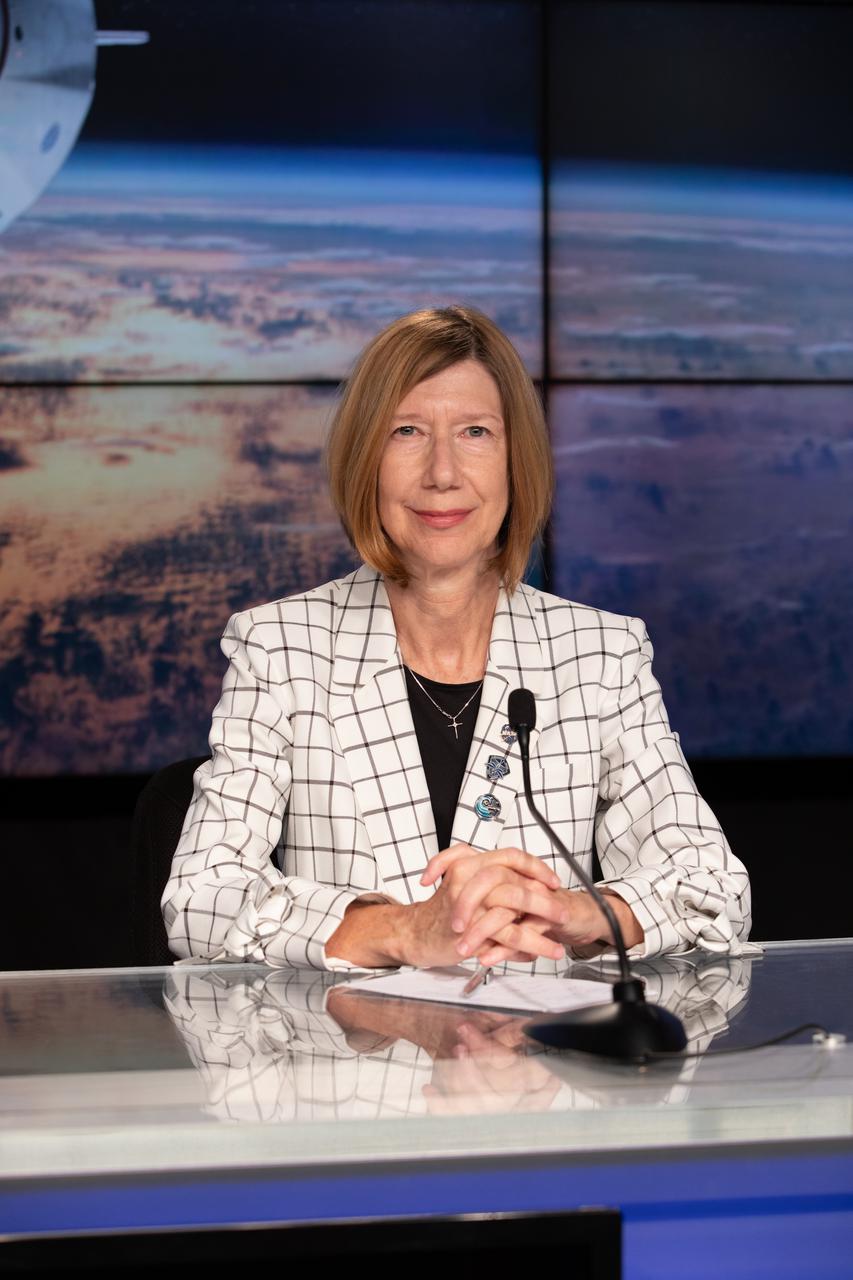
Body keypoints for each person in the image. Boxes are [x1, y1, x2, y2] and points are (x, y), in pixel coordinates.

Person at [162, 305, 751, 973]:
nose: (442, 471)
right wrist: (404, 929)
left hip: (541, 1062)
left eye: (474, 432)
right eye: (406, 431)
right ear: (365, 461)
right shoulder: (280, 646)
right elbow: (201, 896)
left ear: (513, 462)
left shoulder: (600, 653)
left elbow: (713, 887)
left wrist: (575, 913)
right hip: (344, 1067)